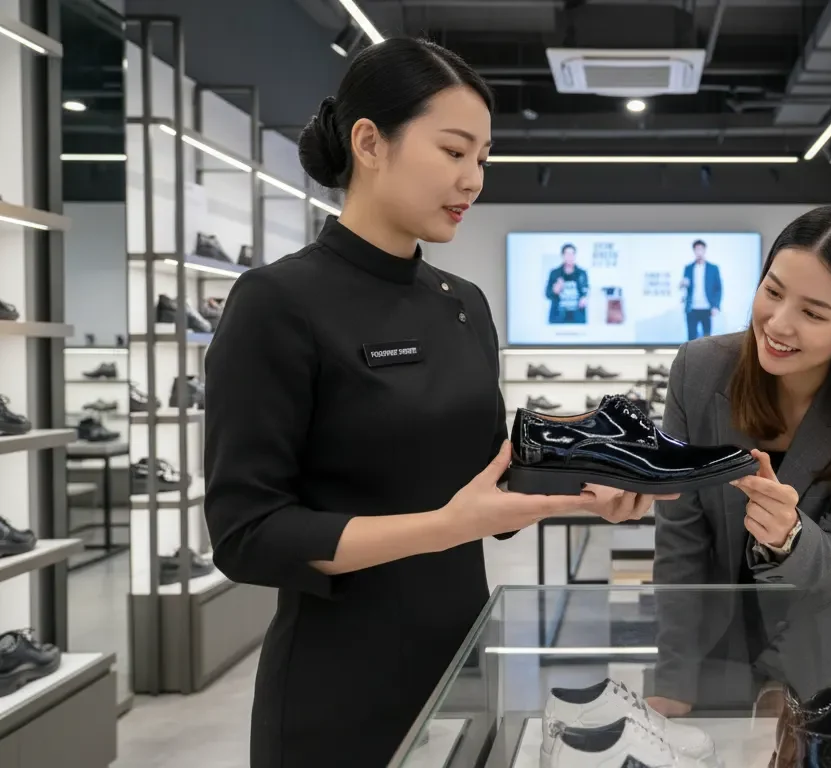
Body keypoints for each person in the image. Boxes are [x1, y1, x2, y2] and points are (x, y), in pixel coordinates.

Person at [202, 38, 672, 768]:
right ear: (369, 143)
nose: (472, 179)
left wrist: (594, 488)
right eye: (454, 151)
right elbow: (247, 533)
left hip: (461, 665)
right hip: (336, 694)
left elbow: (492, 476)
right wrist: (445, 527)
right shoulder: (278, 301)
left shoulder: (464, 304)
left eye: (482, 158)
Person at [646, 205, 831, 714]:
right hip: (715, 652)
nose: (777, 324)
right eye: (772, 292)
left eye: (813, 314)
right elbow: (681, 538)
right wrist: (674, 674)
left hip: (825, 657)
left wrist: (790, 537)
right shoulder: (699, 370)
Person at [682, 239, 722, 340]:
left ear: (704, 250)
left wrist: (716, 306)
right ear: (694, 251)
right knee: (691, 338)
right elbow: (685, 286)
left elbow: (718, 288)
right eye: (696, 249)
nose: (699, 252)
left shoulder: (713, 268)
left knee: (707, 338)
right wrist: (683, 284)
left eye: (701, 249)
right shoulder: (688, 268)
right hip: (692, 308)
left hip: (707, 307)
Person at [545, 242, 589, 323]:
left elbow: (586, 291)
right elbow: (547, 294)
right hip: (558, 317)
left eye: (572, 254)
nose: (570, 257)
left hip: (577, 317)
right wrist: (555, 290)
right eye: (567, 254)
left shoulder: (582, 273)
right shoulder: (555, 273)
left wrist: (584, 298)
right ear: (563, 255)